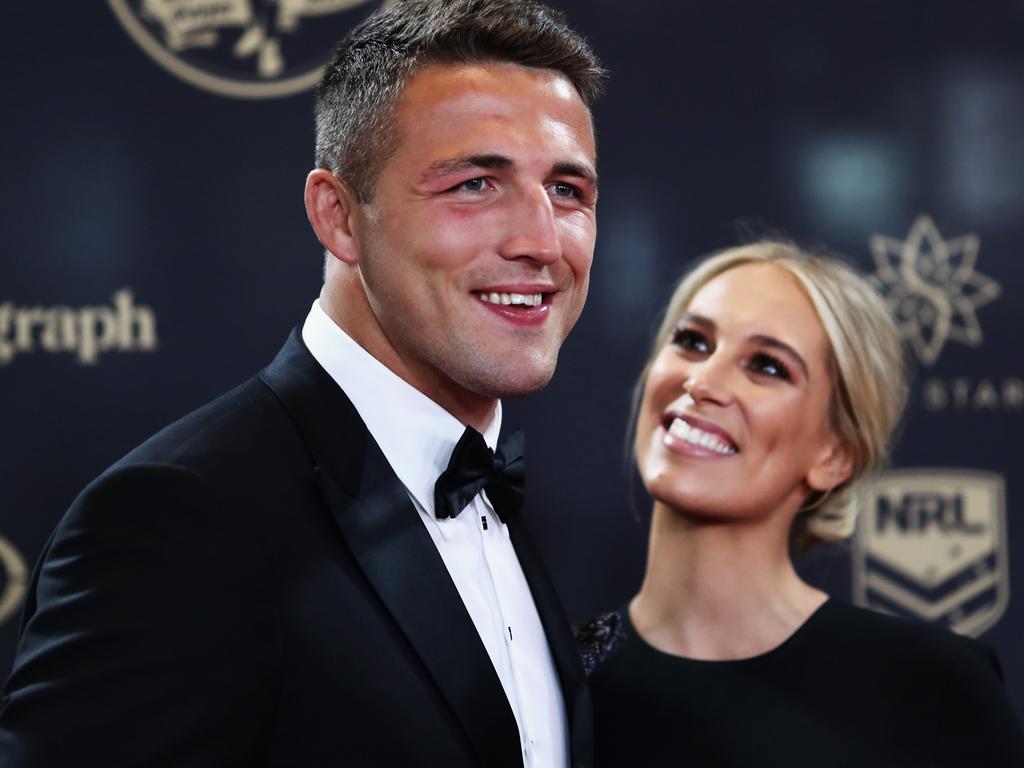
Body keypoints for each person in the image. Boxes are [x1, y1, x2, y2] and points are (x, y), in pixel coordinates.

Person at [0, 1, 605, 765]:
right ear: (339, 216)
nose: (542, 242)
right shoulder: (178, 520)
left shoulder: (503, 500)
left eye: (567, 191)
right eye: (475, 185)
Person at [577, 241, 1024, 766]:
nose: (702, 381)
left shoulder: (933, 685)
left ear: (834, 455)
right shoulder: (545, 672)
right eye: (693, 341)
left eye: (767, 367)